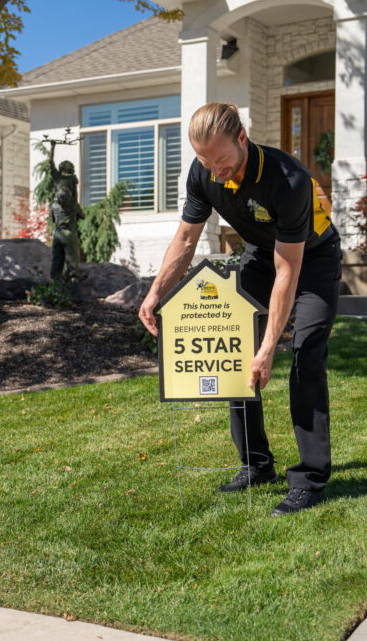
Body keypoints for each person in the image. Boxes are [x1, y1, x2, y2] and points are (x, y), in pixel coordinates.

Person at [138, 102, 341, 517]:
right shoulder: (204, 172)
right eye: (204, 160)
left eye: (222, 159)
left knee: (305, 355)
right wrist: (156, 291)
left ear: (242, 139)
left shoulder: (289, 181)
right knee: (235, 352)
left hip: (312, 259)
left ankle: (309, 479)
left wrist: (268, 347)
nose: (214, 170)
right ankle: (256, 464)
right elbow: (185, 240)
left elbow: (289, 271)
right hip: (261, 254)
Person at [48, 153, 84, 280]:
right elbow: (83, 216)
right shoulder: (73, 205)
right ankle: (74, 281)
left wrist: (52, 149)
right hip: (69, 234)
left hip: (57, 235)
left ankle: (56, 285)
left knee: (56, 263)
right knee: (72, 261)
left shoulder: (54, 206)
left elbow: (51, 166)